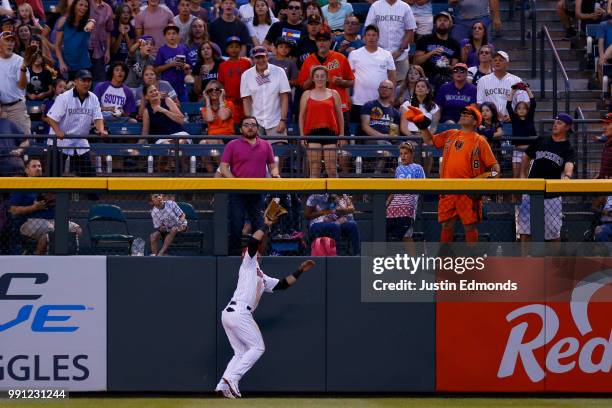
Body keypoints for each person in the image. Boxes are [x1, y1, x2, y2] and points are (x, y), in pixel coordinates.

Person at [214, 213, 315, 399]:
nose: (256, 253)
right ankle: (232, 378)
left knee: (240, 352)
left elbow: (282, 285)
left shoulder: (261, 275)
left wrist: (300, 271)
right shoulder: (247, 264)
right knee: (257, 348)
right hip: (239, 312)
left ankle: (222, 385)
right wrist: (265, 224)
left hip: (231, 314)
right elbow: (252, 243)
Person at [405, 104, 500, 242]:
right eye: (462, 113)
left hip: (468, 191)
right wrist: (422, 124)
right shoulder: (451, 134)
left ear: (475, 121)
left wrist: (484, 179)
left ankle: (473, 261)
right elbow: (429, 140)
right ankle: (445, 260)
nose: (463, 115)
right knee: (446, 224)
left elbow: (495, 168)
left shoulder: (480, 141)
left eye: (468, 114)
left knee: (470, 226)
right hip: (448, 188)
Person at [220, 116, 280, 255]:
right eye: (246, 125)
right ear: (241, 129)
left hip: (258, 192)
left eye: (253, 124)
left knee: (259, 225)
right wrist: (236, 182)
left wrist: (275, 175)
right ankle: (234, 254)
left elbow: (272, 166)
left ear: (257, 128)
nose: (250, 127)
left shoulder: (266, 145)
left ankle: (254, 254)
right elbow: (223, 168)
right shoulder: (232, 144)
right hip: (237, 192)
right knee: (236, 224)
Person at [516, 114, 576, 242]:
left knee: (553, 233)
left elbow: (569, 164)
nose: (555, 124)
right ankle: (523, 261)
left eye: (559, 123)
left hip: (552, 196)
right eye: (555, 122)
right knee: (525, 231)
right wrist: (522, 174)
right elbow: (526, 156)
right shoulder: (541, 140)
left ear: (567, 127)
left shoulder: (568, 148)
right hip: (531, 192)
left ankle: (553, 261)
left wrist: (567, 176)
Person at [8, 159, 82, 255]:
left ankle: (67, 258)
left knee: (77, 229)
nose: (38, 169)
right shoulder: (21, 184)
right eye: (34, 166)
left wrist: (52, 201)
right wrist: (34, 208)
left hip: (53, 220)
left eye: (39, 166)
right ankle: (38, 263)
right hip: (30, 221)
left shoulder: (47, 183)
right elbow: (13, 210)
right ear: (27, 170)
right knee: (51, 231)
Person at [46, 69, 107, 176]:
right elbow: (51, 118)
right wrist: (58, 131)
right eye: (83, 80)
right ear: (76, 81)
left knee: (88, 174)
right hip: (60, 141)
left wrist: (101, 129)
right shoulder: (64, 97)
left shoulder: (93, 98)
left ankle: (88, 193)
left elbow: (98, 118)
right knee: (53, 176)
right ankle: (50, 193)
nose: (86, 83)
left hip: (80, 140)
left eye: (89, 81)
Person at [298, 27, 354, 132]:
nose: (322, 43)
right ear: (316, 42)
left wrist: (341, 82)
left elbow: (351, 81)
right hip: (317, 109)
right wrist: (312, 78)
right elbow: (303, 86)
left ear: (330, 42)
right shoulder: (309, 61)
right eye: (319, 40)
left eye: (325, 40)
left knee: (342, 143)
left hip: (340, 107)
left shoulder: (341, 58)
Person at [299, 65, 343, 178]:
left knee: (332, 168)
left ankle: (335, 195)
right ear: (313, 78)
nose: (319, 78)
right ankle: (314, 195)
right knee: (314, 168)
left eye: (322, 76)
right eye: (317, 76)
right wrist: (302, 136)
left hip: (330, 133)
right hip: (312, 133)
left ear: (327, 78)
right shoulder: (306, 94)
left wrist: (341, 135)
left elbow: (340, 116)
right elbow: (301, 117)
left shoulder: (334, 93)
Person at [348, 24, 396, 123]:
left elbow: (392, 76)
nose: (371, 37)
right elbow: (348, 78)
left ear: (378, 37)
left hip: (380, 101)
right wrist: (348, 97)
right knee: (358, 133)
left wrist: (392, 95)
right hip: (359, 101)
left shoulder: (387, 55)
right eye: (368, 35)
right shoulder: (354, 54)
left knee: (379, 130)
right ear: (364, 37)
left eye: (374, 35)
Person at [241, 45, 291, 138]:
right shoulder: (246, 75)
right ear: (253, 59)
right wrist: (249, 123)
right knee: (255, 151)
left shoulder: (279, 71)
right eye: (257, 57)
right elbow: (246, 100)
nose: (260, 60)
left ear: (267, 57)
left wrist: (283, 120)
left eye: (262, 57)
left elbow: (284, 98)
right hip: (255, 122)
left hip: (275, 121)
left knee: (279, 150)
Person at [364, 0, 416, 82]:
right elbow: (369, 29)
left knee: (401, 86)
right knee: (377, 84)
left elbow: (410, 31)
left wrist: (399, 51)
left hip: (400, 56)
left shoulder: (405, 6)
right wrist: (377, 51)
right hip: (378, 55)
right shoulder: (376, 6)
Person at [386, 142, 426, 242]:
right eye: (401, 154)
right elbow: (394, 188)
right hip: (394, 206)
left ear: (412, 154)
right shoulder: (398, 169)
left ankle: (412, 257)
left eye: (406, 153)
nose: (403, 156)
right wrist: (387, 202)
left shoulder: (418, 168)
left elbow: (423, 186)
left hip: (409, 204)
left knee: (406, 236)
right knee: (383, 230)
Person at [413, 11, 461, 91]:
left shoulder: (455, 44)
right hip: (426, 78)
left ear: (450, 24)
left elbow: (455, 69)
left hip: (446, 79)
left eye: (445, 20)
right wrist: (431, 53)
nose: (442, 22)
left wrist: (447, 64)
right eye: (439, 20)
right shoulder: (425, 39)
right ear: (435, 23)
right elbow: (415, 62)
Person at [476, 50, 529, 121]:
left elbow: (524, 103)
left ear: (507, 63)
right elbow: (479, 103)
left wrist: (514, 116)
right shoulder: (483, 80)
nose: (497, 62)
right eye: (495, 60)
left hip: (511, 121)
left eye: (501, 60)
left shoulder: (517, 80)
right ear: (492, 63)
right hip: (490, 122)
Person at [361, 79, 400, 174]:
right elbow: (365, 126)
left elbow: (396, 132)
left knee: (404, 147)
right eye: (382, 87)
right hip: (371, 140)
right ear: (378, 89)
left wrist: (393, 137)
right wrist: (382, 136)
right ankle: (376, 178)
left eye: (388, 88)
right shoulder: (369, 105)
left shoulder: (395, 112)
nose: (384, 89)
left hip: (388, 142)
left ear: (392, 91)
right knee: (384, 147)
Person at [0, 30, 30, 137]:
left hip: (16, 106)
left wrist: (23, 69)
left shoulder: (20, 61)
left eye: (12, 41)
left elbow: (22, 86)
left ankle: (20, 154)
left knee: (25, 139)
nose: (10, 43)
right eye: (7, 41)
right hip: (0, 107)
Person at [200, 80, 233, 172]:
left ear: (221, 91)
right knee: (202, 143)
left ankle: (223, 171)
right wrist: (207, 100)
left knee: (212, 140)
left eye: (217, 89)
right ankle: (211, 175)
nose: (214, 91)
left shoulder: (229, 104)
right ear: (207, 93)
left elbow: (223, 116)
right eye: (210, 90)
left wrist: (221, 100)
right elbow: (209, 119)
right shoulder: (204, 109)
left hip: (227, 137)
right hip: (212, 139)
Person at [55, 0, 94, 78]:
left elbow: (92, 22)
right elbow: (57, 46)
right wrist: (61, 62)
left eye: (86, 6)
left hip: (83, 66)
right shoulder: (64, 22)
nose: (83, 8)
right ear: (75, 6)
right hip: (66, 66)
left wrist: (92, 21)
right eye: (81, 5)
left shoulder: (88, 23)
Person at [218, 36, 251, 127]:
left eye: (237, 46)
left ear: (240, 49)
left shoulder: (246, 63)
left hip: (245, 100)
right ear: (227, 49)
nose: (234, 49)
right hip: (230, 102)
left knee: (247, 124)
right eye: (231, 47)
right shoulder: (222, 65)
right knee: (234, 126)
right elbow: (221, 84)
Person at [506, 83, 536, 178]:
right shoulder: (515, 119)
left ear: (527, 110)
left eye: (524, 108)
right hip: (517, 150)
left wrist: (527, 88)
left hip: (530, 150)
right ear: (516, 111)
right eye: (519, 108)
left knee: (528, 175)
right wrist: (513, 90)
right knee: (516, 176)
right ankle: (516, 193)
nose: (522, 110)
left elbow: (533, 102)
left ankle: (527, 193)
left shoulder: (529, 118)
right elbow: (508, 106)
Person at [155, 24, 190, 101]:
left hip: (181, 84)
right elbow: (157, 69)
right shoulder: (162, 50)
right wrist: (171, 64)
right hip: (167, 85)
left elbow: (189, 65)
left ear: (177, 35)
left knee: (184, 107)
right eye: (169, 34)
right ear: (165, 36)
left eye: (174, 33)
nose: (171, 36)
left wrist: (186, 66)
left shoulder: (183, 48)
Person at [591, 113, 612, 241]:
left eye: (608, 123)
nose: (604, 126)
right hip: (606, 191)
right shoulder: (608, 143)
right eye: (604, 123)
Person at [88, 0, 113, 82]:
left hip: (99, 50)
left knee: (98, 80)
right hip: (83, 49)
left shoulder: (108, 8)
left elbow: (108, 31)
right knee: (84, 78)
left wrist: (108, 51)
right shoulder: (86, 3)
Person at [0, 111, 28, 176]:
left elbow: (25, 141)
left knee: (16, 164)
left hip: (8, 158)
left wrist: (19, 150)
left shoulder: (9, 123)